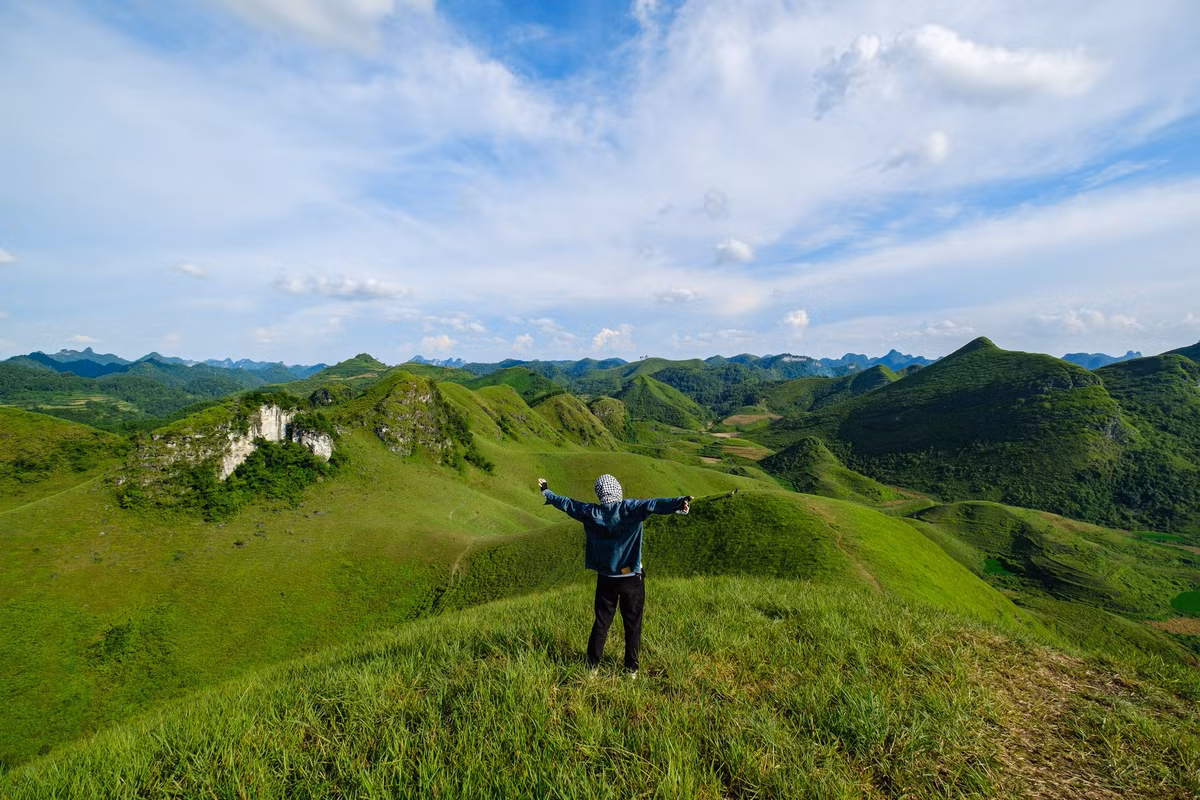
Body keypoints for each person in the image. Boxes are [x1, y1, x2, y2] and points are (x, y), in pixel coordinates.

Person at [538, 474, 692, 678]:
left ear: (600, 494)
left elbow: (567, 504)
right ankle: (631, 669)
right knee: (633, 624)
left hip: (606, 579)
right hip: (631, 579)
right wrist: (679, 503)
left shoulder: (591, 512)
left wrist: (547, 491)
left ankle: (592, 667)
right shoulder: (630, 509)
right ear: (617, 490)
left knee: (601, 622)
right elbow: (654, 504)